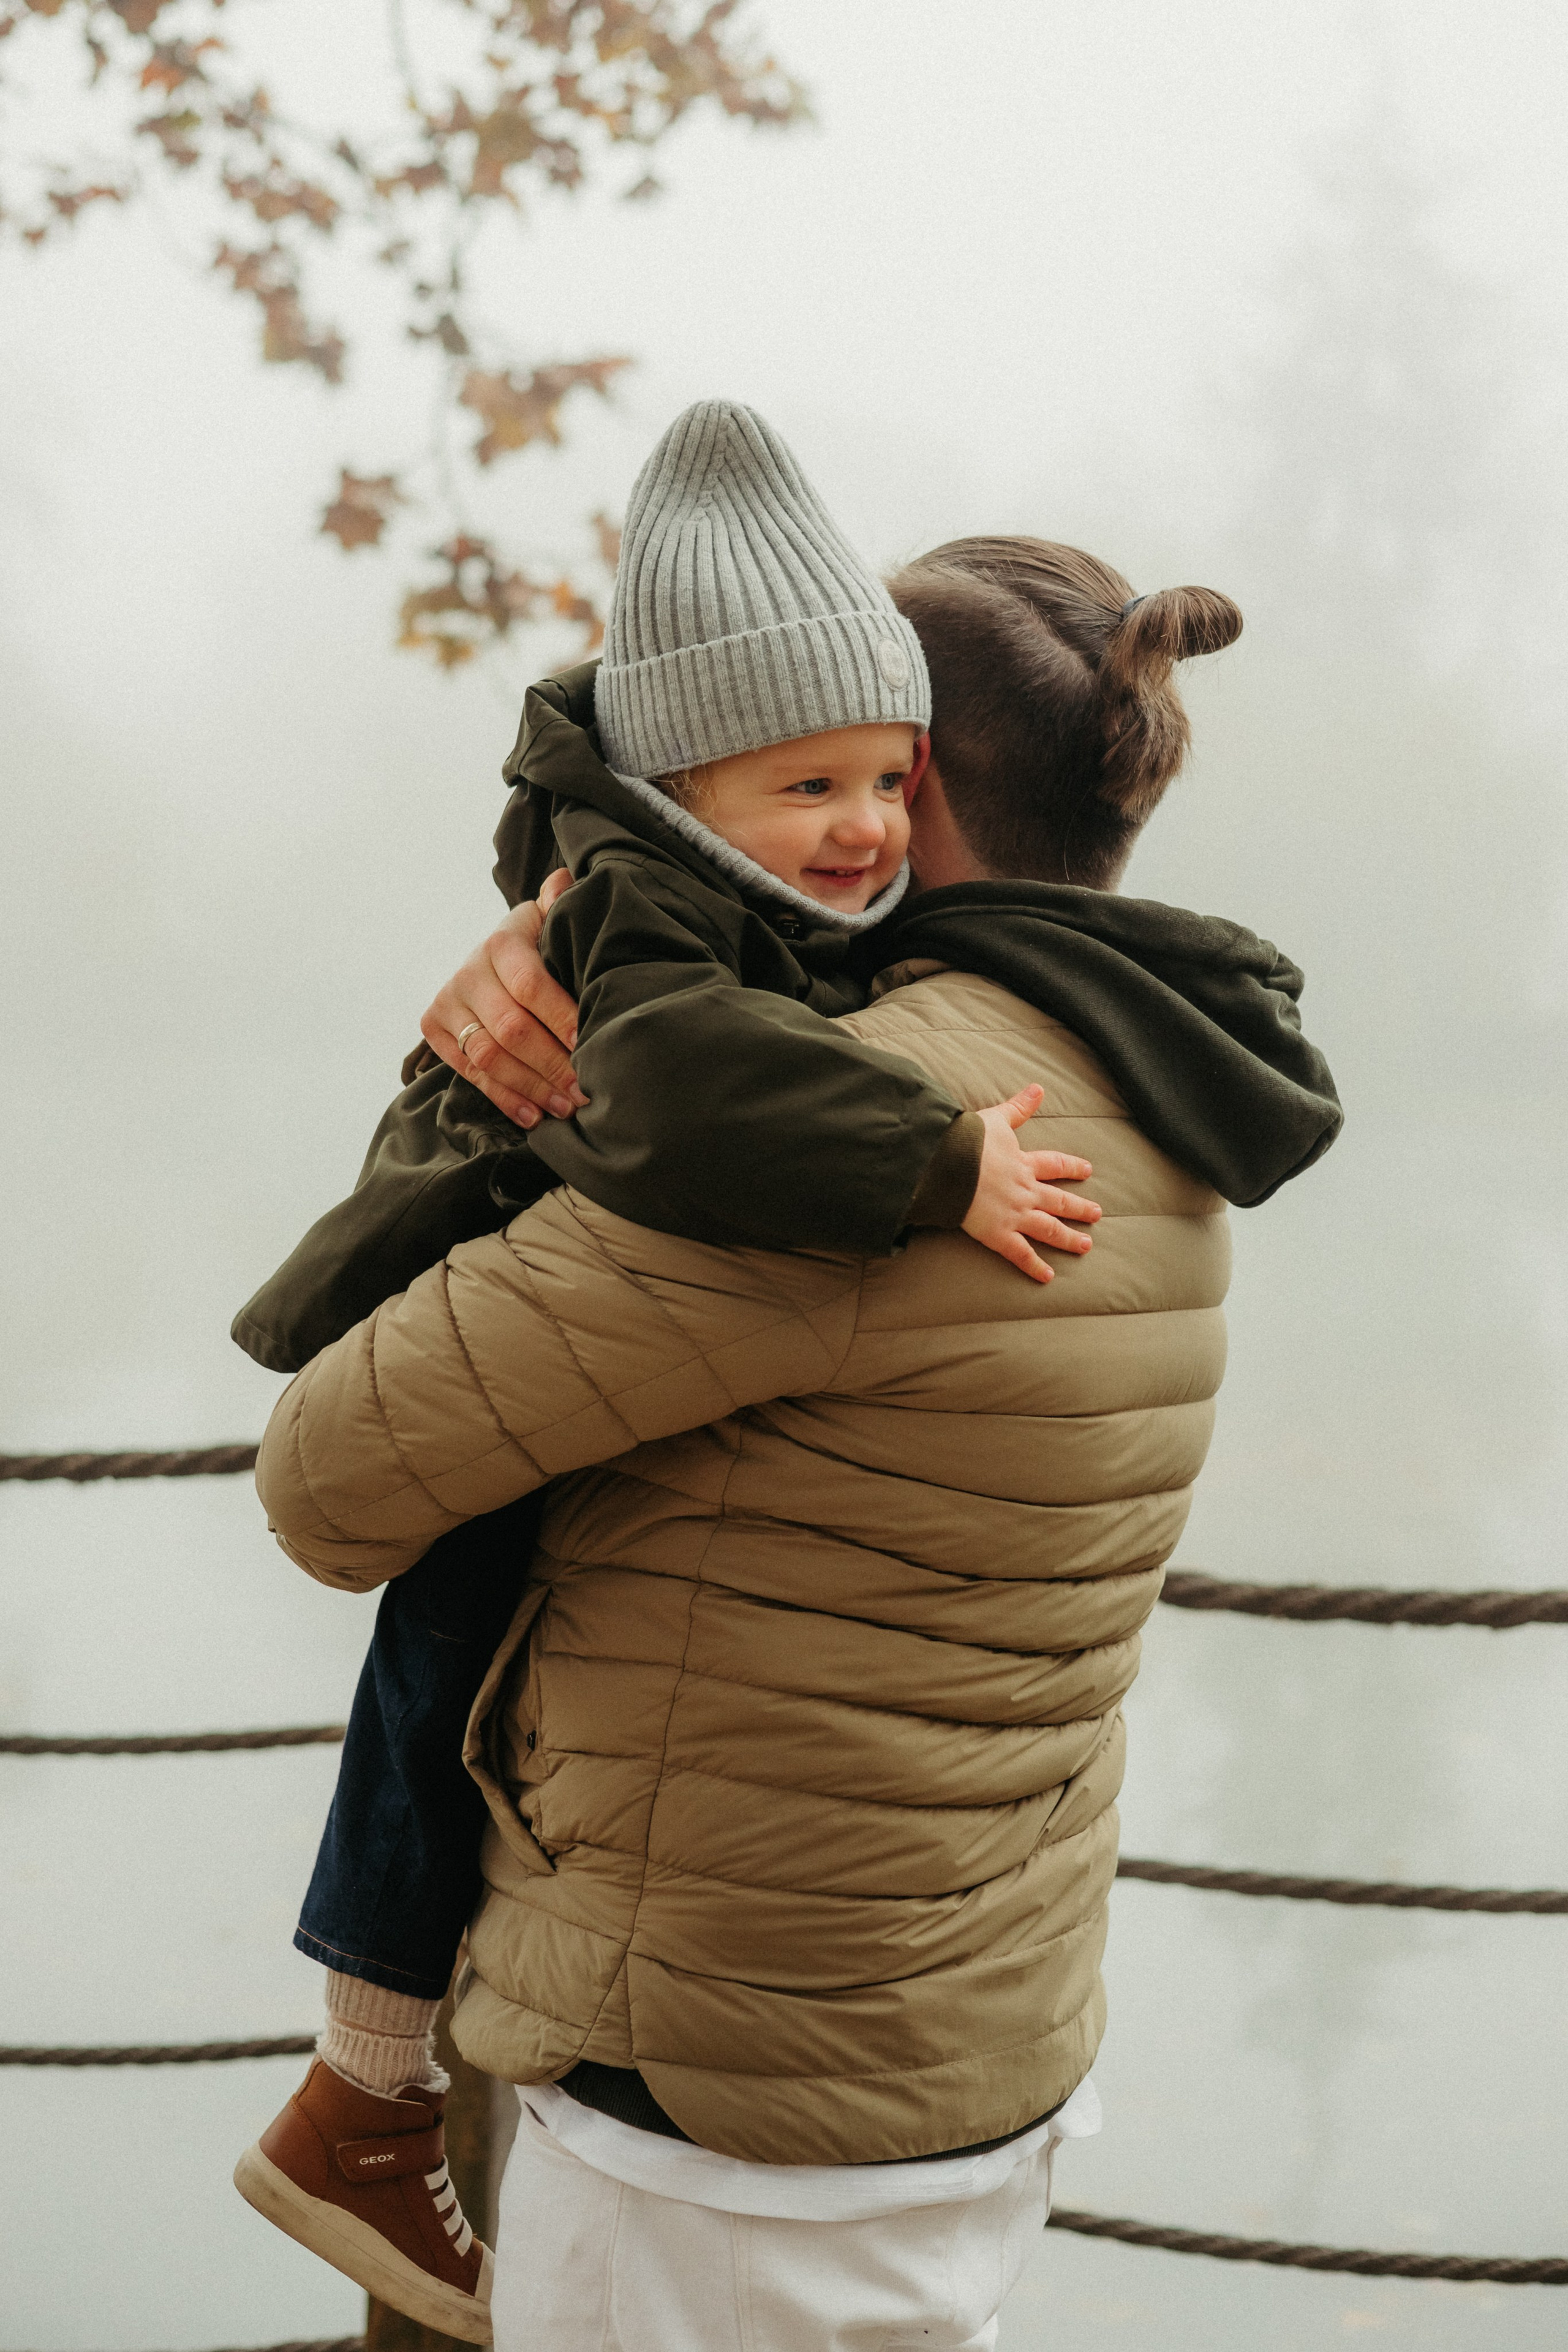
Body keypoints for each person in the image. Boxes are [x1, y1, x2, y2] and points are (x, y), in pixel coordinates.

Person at [239, 438, 1340, 2346]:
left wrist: (551, 1025)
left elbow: (330, 1478)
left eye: (856, 771)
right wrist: (586, 934)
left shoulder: (857, 1145)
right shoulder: (1163, 1096)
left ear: (919, 777)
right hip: (964, 2044)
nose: (824, 821)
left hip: (716, 2122)